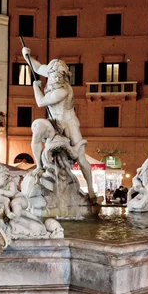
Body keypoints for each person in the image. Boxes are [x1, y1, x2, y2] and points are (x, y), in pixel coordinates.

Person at [22, 46, 95, 199]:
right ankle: (40, 166)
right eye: (53, 74)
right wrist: (26, 55)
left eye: (59, 75)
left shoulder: (63, 90)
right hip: (53, 122)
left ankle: (91, 190)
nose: (55, 78)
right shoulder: (50, 75)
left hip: (68, 123)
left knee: (80, 157)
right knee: (37, 130)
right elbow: (36, 67)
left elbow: (41, 102)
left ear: (64, 76)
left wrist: (35, 88)